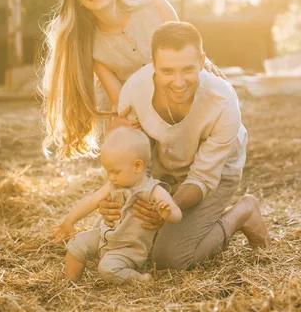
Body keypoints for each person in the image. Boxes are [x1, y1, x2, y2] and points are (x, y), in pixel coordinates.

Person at [99, 22, 270, 270]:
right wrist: (116, 197)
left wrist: (167, 208)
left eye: (188, 70)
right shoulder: (134, 91)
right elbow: (129, 159)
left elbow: (202, 179)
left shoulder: (223, 102)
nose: (178, 82)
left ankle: (244, 212)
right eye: (167, 71)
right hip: (164, 168)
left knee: (172, 259)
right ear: (153, 65)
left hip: (216, 174)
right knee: (110, 241)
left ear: (202, 62)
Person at [42, 0, 224, 160]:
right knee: (127, 141)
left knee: (207, 94)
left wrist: (205, 63)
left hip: (179, 87)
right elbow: (122, 100)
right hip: (141, 107)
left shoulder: (153, 4)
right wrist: (124, 124)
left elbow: (186, 47)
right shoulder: (90, 44)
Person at [52, 127, 182, 283]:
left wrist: (166, 213)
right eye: (108, 171)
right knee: (76, 244)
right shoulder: (113, 185)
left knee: (107, 269)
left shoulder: (153, 190)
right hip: (105, 236)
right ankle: (70, 284)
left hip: (128, 248)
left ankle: (142, 279)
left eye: (115, 171)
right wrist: (69, 220)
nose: (111, 177)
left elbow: (177, 214)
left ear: (138, 166)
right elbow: (91, 201)